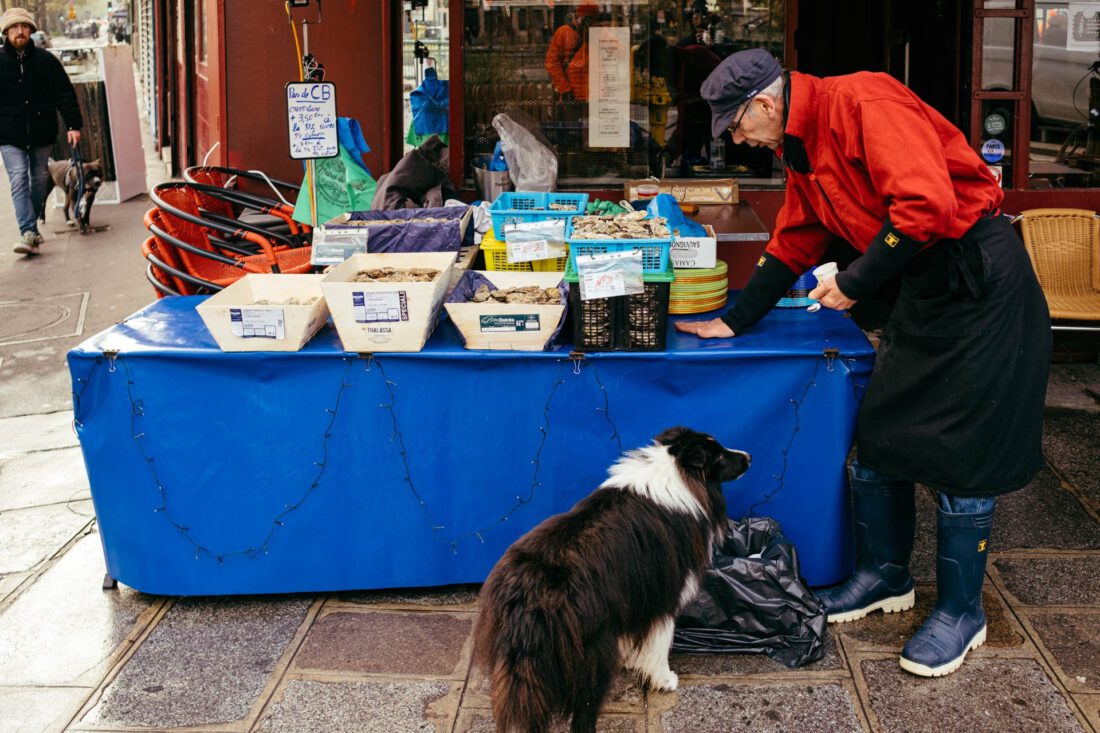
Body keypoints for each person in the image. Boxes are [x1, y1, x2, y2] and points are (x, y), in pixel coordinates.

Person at [678, 49, 1051, 677]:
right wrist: (733, 320)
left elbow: (926, 206)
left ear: (765, 105)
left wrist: (855, 281)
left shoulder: (863, 103)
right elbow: (796, 236)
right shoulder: (797, 144)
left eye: (737, 127)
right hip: (921, 291)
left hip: (977, 283)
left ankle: (963, 611)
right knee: (879, 436)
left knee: (964, 455)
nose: (738, 140)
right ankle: (885, 576)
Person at [0, 7, 82, 256]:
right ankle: (28, 230)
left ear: (31, 31)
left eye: (24, 27)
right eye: (14, 27)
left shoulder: (46, 61)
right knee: (18, 180)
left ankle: (31, 225)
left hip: (41, 131)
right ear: (6, 32)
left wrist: (73, 125)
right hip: (9, 134)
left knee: (37, 181)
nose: (19, 31)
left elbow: (65, 93)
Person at [544, 2, 598, 106]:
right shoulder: (564, 32)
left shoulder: (597, 35)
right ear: (577, 17)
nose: (589, 23)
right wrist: (565, 90)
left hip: (594, 96)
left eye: (592, 20)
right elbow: (551, 63)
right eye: (586, 19)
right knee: (572, 122)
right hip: (573, 94)